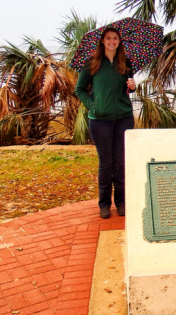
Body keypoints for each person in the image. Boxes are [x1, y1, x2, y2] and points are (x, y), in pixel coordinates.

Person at [75, 27, 136, 219]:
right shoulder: (92, 63)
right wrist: (93, 106)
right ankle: (104, 204)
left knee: (120, 162)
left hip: (124, 118)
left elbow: (128, 89)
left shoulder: (125, 63)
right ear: (102, 41)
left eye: (115, 38)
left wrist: (133, 87)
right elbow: (80, 89)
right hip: (100, 120)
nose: (112, 41)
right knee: (106, 163)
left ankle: (121, 202)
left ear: (119, 41)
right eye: (108, 38)